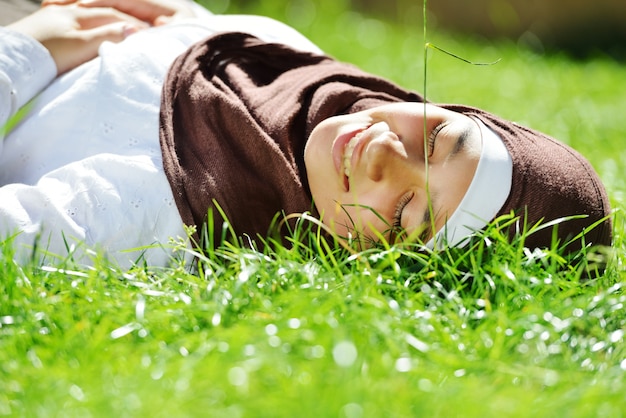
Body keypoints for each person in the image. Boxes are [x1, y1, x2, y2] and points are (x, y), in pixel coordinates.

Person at [0, 0, 612, 268]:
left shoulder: (158, 213)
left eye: (403, 214)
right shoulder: (299, 72)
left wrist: (30, 48)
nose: (382, 157)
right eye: (436, 141)